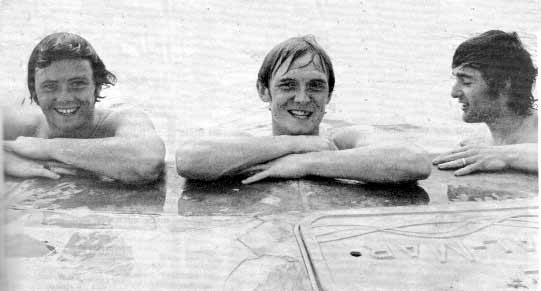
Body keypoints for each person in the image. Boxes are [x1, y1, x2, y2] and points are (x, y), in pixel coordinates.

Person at [176, 35, 431, 184]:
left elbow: (415, 160)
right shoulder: (252, 141)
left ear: (329, 94)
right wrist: (294, 144)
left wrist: (306, 162)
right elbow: (189, 159)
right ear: (264, 91)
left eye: (315, 86)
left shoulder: (340, 138)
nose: (302, 98)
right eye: (288, 85)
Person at [3, 32, 165, 184]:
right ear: (35, 92)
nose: (65, 98)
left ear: (98, 86)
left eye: (77, 84)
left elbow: (148, 161)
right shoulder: (25, 122)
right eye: (50, 86)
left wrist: (46, 147)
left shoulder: (124, 117)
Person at [433, 30, 537, 176]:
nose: (454, 93)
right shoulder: (478, 144)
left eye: (466, 82)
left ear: (504, 84)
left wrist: (503, 155)